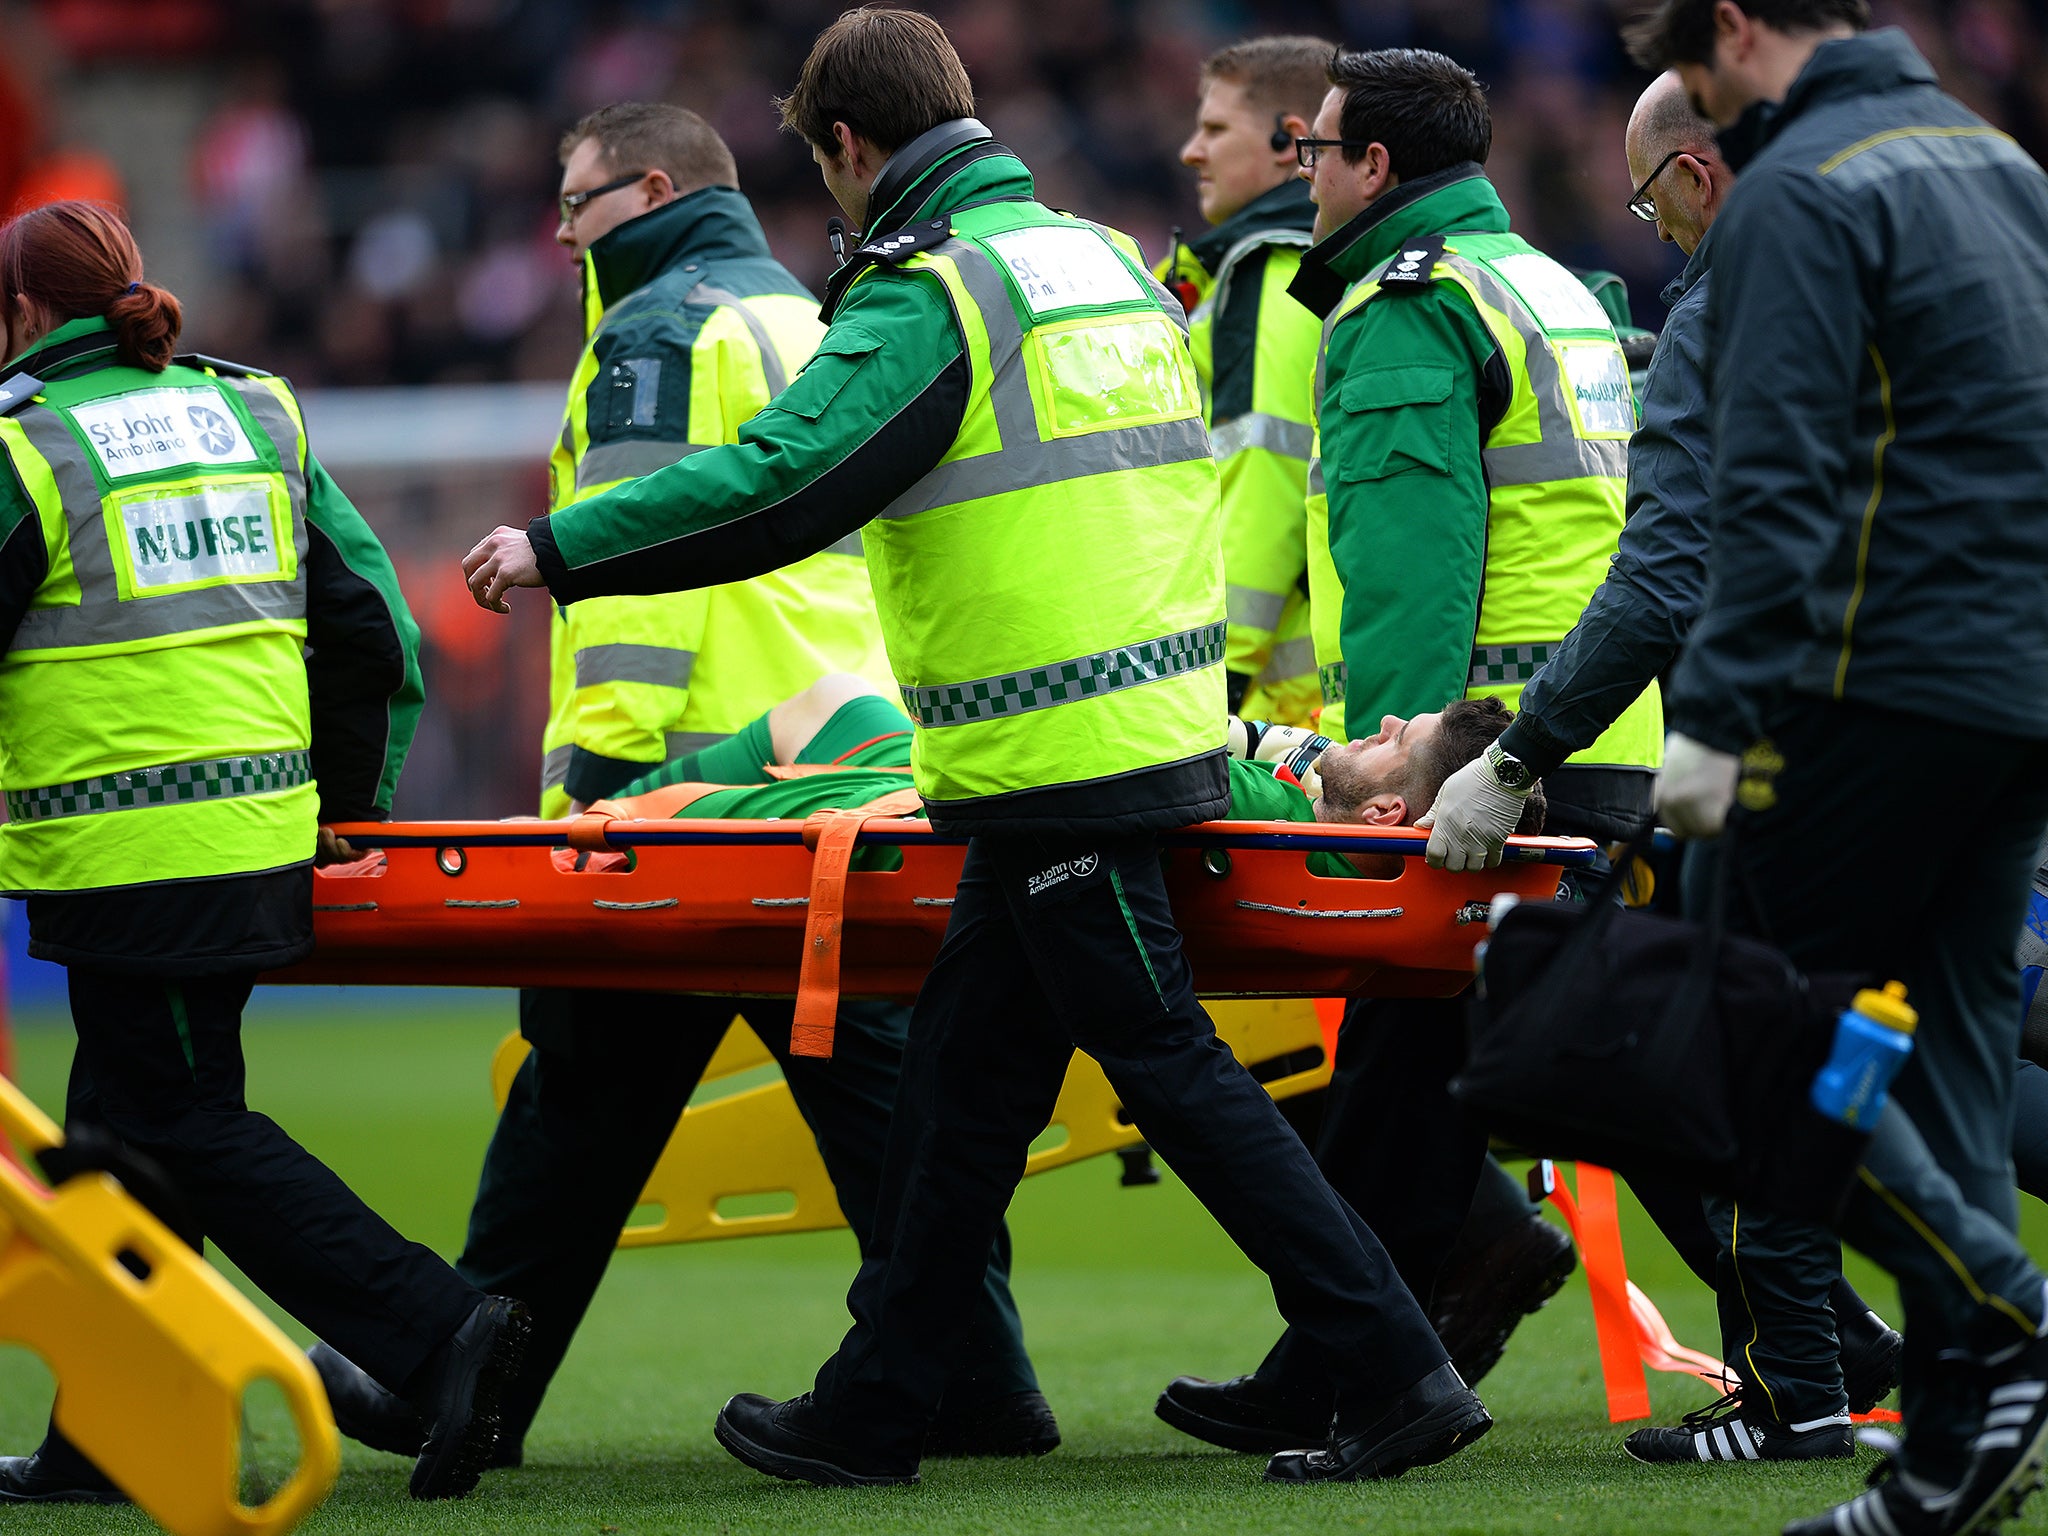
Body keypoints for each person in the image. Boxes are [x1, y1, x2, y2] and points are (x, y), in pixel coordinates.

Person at [463, 6, 1491, 1490]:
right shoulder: (1098, 258)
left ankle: (1397, 1368)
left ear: (848, 145)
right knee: (958, 1088)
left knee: (1170, 1070)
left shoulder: (934, 288)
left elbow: (784, 477)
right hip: (1120, 733)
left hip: (1059, 757)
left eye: (825, 173)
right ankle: (884, 1400)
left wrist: (564, 548)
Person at [310, 102, 1055, 1471]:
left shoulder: (655, 331)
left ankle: (464, 1381)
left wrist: (589, 805)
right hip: (841, 767)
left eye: (576, 199)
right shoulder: (799, 308)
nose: (558, 227)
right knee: (865, 1104)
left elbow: (633, 610)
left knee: (575, 1112)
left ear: (651, 189)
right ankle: (973, 1376)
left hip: (693, 793)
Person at [1155, 45, 1666, 1460]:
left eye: (1311, 148)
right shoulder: (1551, 286)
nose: (1297, 170)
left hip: (1489, 763)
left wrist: (1393, 765)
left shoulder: (1402, 307)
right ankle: (1335, 1359)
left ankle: (1366, 1374)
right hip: (1595, 740)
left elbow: (1406, 572)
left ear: (1374, 168)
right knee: (1409, 1071)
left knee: (1474, 1080)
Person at [0, 201, 526, 1504]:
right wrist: (346, 807)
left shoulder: (25, 446)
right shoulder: (258, 414)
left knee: (178, 1122)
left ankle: (436, 1330)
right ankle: (112, 1433)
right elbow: (378, 633)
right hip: (254, 831)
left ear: (20, 314)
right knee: (118, 1132)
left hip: (129, 851)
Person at [1424, 69, 1902, 1466]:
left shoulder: (1726, 307)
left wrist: (1515, 754)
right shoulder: (1903, 266)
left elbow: (1661, 578)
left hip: (1806, 753)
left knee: (1765, 1076)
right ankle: (1849, 1371)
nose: (1663, 231)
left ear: (1694, 175)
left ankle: (1810, 1399)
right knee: (1961, 1051)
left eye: (1652, 202)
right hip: (1978, 717)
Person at [1627, 1, 2048, 1530]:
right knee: (1945, 1066)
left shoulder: (1806, 185)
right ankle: (1953, 1457)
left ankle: (2004, 1320)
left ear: (1733, 28)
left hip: (1868, 688)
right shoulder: (1998, 163)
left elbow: (1780, 481)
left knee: (1741, 1042)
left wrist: (1717, 725)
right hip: (2016, 692)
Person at [599, 674, 1547, 857]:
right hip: (987, 777)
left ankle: (582, 821)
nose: (1379, 723)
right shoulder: (1304, 801)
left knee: (678, 808)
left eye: (1395, 741)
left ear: (1386, 817)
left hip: (970, 800)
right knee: (828, 701)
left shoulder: (1264, 811)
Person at [1161, 35, 1330, 724]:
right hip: (1297, 693)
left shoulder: (1271, 271)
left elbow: (1264, 473)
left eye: (1215, 129)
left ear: (1290, 142)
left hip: (1280, 706)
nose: (1190, 151)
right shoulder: (1300, 265)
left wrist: (1209, 684)